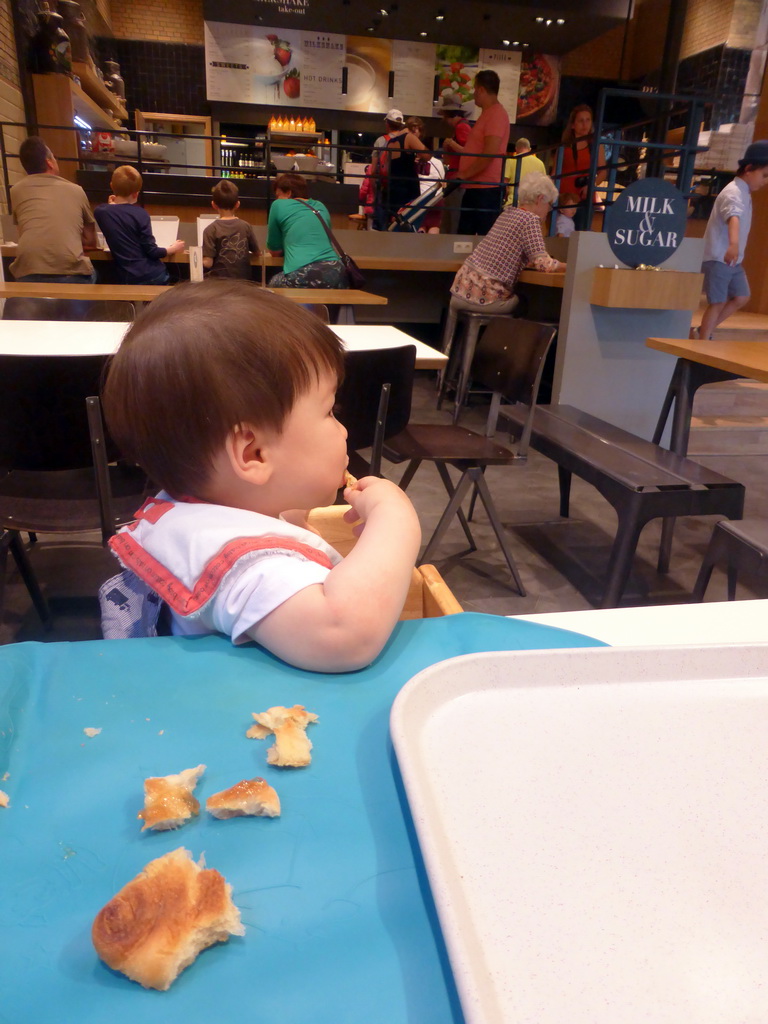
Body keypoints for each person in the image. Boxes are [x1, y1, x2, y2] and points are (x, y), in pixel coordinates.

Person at [100, 281, 421, 672]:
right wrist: (395, 518)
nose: (344, 431)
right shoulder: (245, 562)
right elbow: (342, 636)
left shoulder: (194, 507)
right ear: (253, 454)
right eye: (329, 412)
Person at [449, 172, 565, 316]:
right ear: (540, 199)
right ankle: (502, 338)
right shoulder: (530, 220)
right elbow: (543, 265)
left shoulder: (507, 214)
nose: (549, 210)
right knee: (525, 303)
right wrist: (571, 266)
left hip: (459, 290)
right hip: (483, 299)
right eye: (549, 204)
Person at [698, 139, 768, 340]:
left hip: (730, 259)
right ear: (748, 169)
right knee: (717, 301)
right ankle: (702, 339)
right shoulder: (733, 192)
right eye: (763, 175)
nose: (765, 181)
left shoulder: (744, 192)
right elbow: (733, 218)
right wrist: (733, 245)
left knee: (741, 297)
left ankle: (703, 331)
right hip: (719, 257)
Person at [9, 135, 98, 283]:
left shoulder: (16, 191)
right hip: (70, 273)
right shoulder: (76, 190)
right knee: (96, 274)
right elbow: (91, 240)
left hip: (27, 273)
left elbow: (23, 232)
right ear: (49, 162)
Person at [94, 165, 185, 285]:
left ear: (111, 186)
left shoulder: (101, 212)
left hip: (126, 277)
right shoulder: (141, 214)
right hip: (151, 275)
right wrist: (173, 248)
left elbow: (109, 209)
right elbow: (152, 252)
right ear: (136, 194)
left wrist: (112, 204)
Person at [266, 173, 346, 288]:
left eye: (278, 195)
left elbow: (274, 250)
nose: (277, 198)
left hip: (304, 270)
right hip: (335, 269)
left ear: (288, 193)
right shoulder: (320, 206)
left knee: (273, 284)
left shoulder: (279, 205)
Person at [456, 70, 511, 235]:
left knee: (475, 238)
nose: (474, 94)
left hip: (484, 189)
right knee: (465, 239)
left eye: (475, 90)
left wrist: (464, 174)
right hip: (477, 187)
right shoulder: (489, 114)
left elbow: (490, 153)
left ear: (480, 89)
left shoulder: (496, 115)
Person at [558, 104, 607, 230]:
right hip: (564, 198)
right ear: (573, 125)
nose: (585, 124)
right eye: (581, 120)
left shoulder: (596, 146)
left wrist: (590, 185)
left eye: (588, 120)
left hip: (583, 197)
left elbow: (603, 172)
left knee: (581, 233)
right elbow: (555, 174)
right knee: (561, 234)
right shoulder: (564, 146)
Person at [202, 178, 261, 279]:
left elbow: (208, 263)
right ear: (237, 204)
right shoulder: (245, 226)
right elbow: (257, 253)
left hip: (219, 285)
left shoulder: (210, 229)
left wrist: (196, 257)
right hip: (243, 284)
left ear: (214, 205)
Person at [380, 112, 429, 226]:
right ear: (415, 128)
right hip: (407, 188)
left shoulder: (391, 141)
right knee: (408, 223)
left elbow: (387, 166)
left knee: (393, 224)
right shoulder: (409, 137)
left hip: (393, 187)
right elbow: (427, 155)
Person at [438, 94, 472, 233]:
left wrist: (451, 143)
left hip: (458, 181)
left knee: (452, 221)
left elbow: (469, 153)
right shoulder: (462, 127)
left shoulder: (461, 128)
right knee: (450, 220)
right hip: (456, 180)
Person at [407, 116, 445, 233]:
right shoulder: (438, 162)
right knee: (434, 226)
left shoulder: (410, 161)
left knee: (419, 225)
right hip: (436, 199)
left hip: (419, 199)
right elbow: (442, 181)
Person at [371, 109, 406, 231]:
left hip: (384, 185)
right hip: (401, 186)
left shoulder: (381, 141)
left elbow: (373, 169)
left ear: (387, 124)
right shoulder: (406, 140)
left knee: (382, 221)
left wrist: (374, 188)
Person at [503, 138, 546, 207]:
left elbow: (505, 183)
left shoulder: (511, 160)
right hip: (533, 204)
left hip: (514, 202)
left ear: (516, 149)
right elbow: (543, 185)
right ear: (530, 149)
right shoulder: (540, 163)